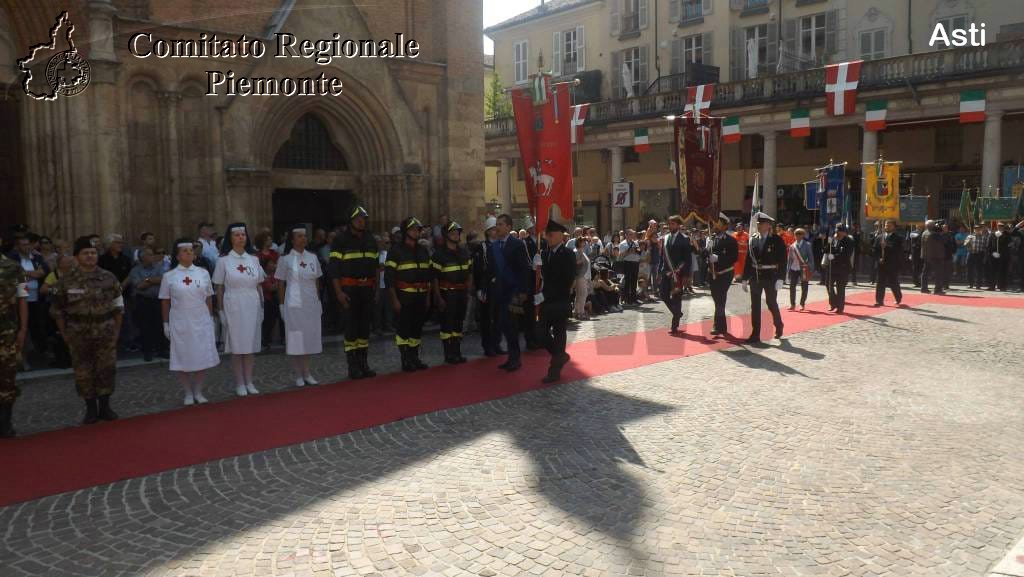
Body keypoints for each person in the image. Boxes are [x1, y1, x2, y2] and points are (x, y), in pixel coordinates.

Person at [50, 236, 125, 424]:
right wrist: (65, 334)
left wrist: (116, 331)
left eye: (93, 253)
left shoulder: (109, 277)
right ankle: (91, 408)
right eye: (86, 253)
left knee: (106, 369)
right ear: (76, 257)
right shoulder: (66, 280)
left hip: (105, 329)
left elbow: (118, 306)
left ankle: (105, 406)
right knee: (83, 371)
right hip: (78, 332)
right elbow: (57, 311)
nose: (90, 256)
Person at [160, 239, 219, 405]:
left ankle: (198, 391)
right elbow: (165, 300)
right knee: (182, 357)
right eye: (185, 251)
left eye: (191, 251)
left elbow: (208, 297)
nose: (189, 253)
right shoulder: (169, 276)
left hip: (201, 318)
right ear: (177, 256)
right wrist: (165, 324)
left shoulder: (203, 273)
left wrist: (210, 317)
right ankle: (187, 392)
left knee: (201, 356)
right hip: (180, 320)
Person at [212, 223, 265, 397]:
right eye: (237, 235)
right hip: (233, 303)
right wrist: (220, 311)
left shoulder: (254, 259)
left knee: (250, 345)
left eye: (243, 234)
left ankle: (249, 381)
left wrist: (262, 306)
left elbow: (258, 285)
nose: (241, 237)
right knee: (237, 345)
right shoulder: (223, 261)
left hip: (252, 302)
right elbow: (219, 287)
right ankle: (240, 383)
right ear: (230, 238)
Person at [329, 206, 379, 379]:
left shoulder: (371, 239)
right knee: (351, 329)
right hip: (349, 290)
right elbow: (334, 269)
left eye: (364, 219)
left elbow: (376, 268)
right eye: (358, 219)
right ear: (351, 221)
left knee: (364, 328)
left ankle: (364, 364)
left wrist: (376, 290)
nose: (362, 221)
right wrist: (338, 293)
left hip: (367, 289)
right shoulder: (340, 240)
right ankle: (353, 367)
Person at [277, 226, 324, 387]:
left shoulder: (313, 257)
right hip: (294, 303)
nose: (303, 239)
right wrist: (281, 305)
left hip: (310, 302)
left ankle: (307, 372)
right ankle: (298, 374)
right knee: (297, 339)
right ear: (292, 240)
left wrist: (318, 301)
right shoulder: (285, 259)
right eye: (299, 236)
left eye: (304, 236)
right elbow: (281, 283)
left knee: (308, 338)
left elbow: (316, 280)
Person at [386, 217, 433, 372]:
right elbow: (389, 278)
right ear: (406, 231)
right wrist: (394, 300)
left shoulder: (423, 250)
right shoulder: (395, 250)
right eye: (413, 229)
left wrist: (427, 297)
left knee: (417, 328)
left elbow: (428, 277)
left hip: (420, 296)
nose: (417, 232)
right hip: (404, 296)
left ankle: (414, 357)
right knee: (403, 329)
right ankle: (405, 359)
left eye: (418, 230)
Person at [486, 214, 531, 372]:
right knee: (503, 325)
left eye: (500, 224)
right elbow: (491, 271)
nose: (497, 227)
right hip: (499, 292)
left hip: (513, 292)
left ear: (509, 227)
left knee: (512, 326)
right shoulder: (494, 247)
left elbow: (524, 269)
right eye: (496, 224)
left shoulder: (517, 244)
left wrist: (523, 290)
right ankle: (510, 357)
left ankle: (515, 358)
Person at [537, 219, 575, 384]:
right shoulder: (543, 254)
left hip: (559, 300)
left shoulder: (568, 254)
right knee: (539, 333)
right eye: (547, 234)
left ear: (561, 236)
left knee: (559, 334)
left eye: (551, 234)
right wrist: (536, 267)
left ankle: (554, 371)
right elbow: (539, 279)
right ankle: (561, 356)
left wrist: (546, 293)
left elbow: (566, 280)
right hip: (545, 301)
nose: (548, 237)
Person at [431, 221, 473, 364]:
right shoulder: (438, 254)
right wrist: (438, 297)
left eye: (457, 233)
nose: (456, 235)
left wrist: (468, 291)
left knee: (458, 325)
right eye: (452, 233)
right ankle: (448, 354)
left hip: (461, 293)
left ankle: (457, 352)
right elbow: (434, 278)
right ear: (446, 235)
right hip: (446, 294)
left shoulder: (464, 252)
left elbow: (469, 273)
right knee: (447, 326)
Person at [741, 213, 785, 343]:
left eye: (761, 224)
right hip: (755, 276)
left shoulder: (776, 240)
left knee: (771, 303)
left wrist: (781, 278)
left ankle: (779, 324)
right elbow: (748, 260)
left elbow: (783, 260)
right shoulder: (753, 239)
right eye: (758, 224)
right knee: (755, 305)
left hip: (770, 276)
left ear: (768, 225)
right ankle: (755, 334)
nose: (758, 226)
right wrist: (744, 278)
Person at [0, 251, 28, 438]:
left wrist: (23, 330)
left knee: (7, 379)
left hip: (7, 333)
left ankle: (5, 423)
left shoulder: (13, 267)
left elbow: (22, 299)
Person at [9, 235, 48, 364]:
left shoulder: (37, 257)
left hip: (36, 297)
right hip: (20, 297)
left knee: (38, 325)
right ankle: (22, 356)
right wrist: (32, 274)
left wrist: (25, 273)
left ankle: (40, 352)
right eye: (23, 244)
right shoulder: (12, 258)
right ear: (18, 246)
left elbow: (43, 272)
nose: (27, 247)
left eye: (28, 244)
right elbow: (14, 273)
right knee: (21, 326)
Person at [127, 247, 166, 361]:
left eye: (152, 254)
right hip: (143, 301)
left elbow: (163, 279)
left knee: (159, 325)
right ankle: (147, 351)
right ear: (142, 257)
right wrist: (152, 280)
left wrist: (147, 280)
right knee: (145, 326)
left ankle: (161, 349)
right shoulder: (135, 270)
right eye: (149, 254)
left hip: (157, 300)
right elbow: (138, 286)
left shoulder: (159, 267)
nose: (152, 256)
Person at [473, 217, 501, 357]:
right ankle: (487, 345)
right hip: (487, 286)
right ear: (488, 232)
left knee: (498, 317)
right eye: (493, 229)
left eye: (497, 228)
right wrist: (479, 288)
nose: (496, 231)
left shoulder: (502, 245)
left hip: (500, 286)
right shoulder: (482, 247)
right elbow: (478, 269)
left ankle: (497, 343)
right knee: (486, 318)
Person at [659, 215, 692, 334]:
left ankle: (674, 325)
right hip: (666, 272)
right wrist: (660, 271)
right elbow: (662, 256)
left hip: (678, 273)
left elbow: (687, 259)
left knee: (677, 298)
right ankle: (677, 313)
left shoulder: (684, 239)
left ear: (678, 225)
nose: (670, 226)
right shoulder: (666, 237)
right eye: (669, 224)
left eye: (673, 224)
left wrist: (685, 275)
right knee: (663, 294)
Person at [707, 213, 738, 336]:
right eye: (715, 222)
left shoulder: (731, 240)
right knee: (717, 298)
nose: (715, 225)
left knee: (719, 297)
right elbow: (703, 256)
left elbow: (734, 258)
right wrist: (706, 249)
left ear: (725, 226)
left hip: (725, 273)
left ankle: (717, 325)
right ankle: (722, 326)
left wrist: (718, 258)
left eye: (718, 223)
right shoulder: (711, 239)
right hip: (712, 273)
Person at [872, 219, 904, 306]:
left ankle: (898, 297)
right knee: (880, 282)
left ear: (894, 227)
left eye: (889, 225)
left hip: (892, 264)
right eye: (886, 225)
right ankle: (879, 300)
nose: (887, 227)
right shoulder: (879, 237)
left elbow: (898, 250)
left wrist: (887, 246)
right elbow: (874, 250)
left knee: (893, 282)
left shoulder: (898, 238)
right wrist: (879, 258)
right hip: (881, 264)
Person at [825, 224, 855, 313]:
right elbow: (825, 250)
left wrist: (834, 257)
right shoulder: (834, 239)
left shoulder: (849, 241)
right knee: (828, 285)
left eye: (839, 231)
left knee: (840, 288)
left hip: (843, 268)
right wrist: (828, 242)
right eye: (836, 231)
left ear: (843, 232)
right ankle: (833, 303)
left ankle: (840, 308)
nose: (837, 233)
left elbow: (846, 255)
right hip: (832, 267)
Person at [786, 228, 812, 310]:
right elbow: (789, 259)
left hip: (803, 268)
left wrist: (810, 269)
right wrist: (787, 269)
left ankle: (802, 304)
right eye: (796, 234)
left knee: (804, 287)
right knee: (792, 286)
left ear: (803, 235)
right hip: (794, 268)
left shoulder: (807, 245)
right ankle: (792, 304)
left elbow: (811, 258)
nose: (798, 236)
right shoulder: (792, 246)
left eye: (800, 234)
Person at [920, 220, 946, 295]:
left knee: (925, 272)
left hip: (926, 255)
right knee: (938, 273)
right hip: (935, 256)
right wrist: (942, 232)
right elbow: (942, 242)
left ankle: (924, 288)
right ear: (932, 226)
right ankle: (937, 290)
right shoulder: (935, 234)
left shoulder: (924, 233)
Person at [987, 222, 1012, 291]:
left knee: (1003, 271)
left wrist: (1003, 236)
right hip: (993, 256)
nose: (1000, 227)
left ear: (1004, 227)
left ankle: (1002, 286)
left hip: (1003, 256)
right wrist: (992, 253)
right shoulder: (992, 234)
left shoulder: (1007, 235)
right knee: (992, 271)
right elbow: (989, 245)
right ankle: (991, 286)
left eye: (1002, 226)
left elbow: (1009, 245)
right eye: (999, 226)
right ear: (997, 226)